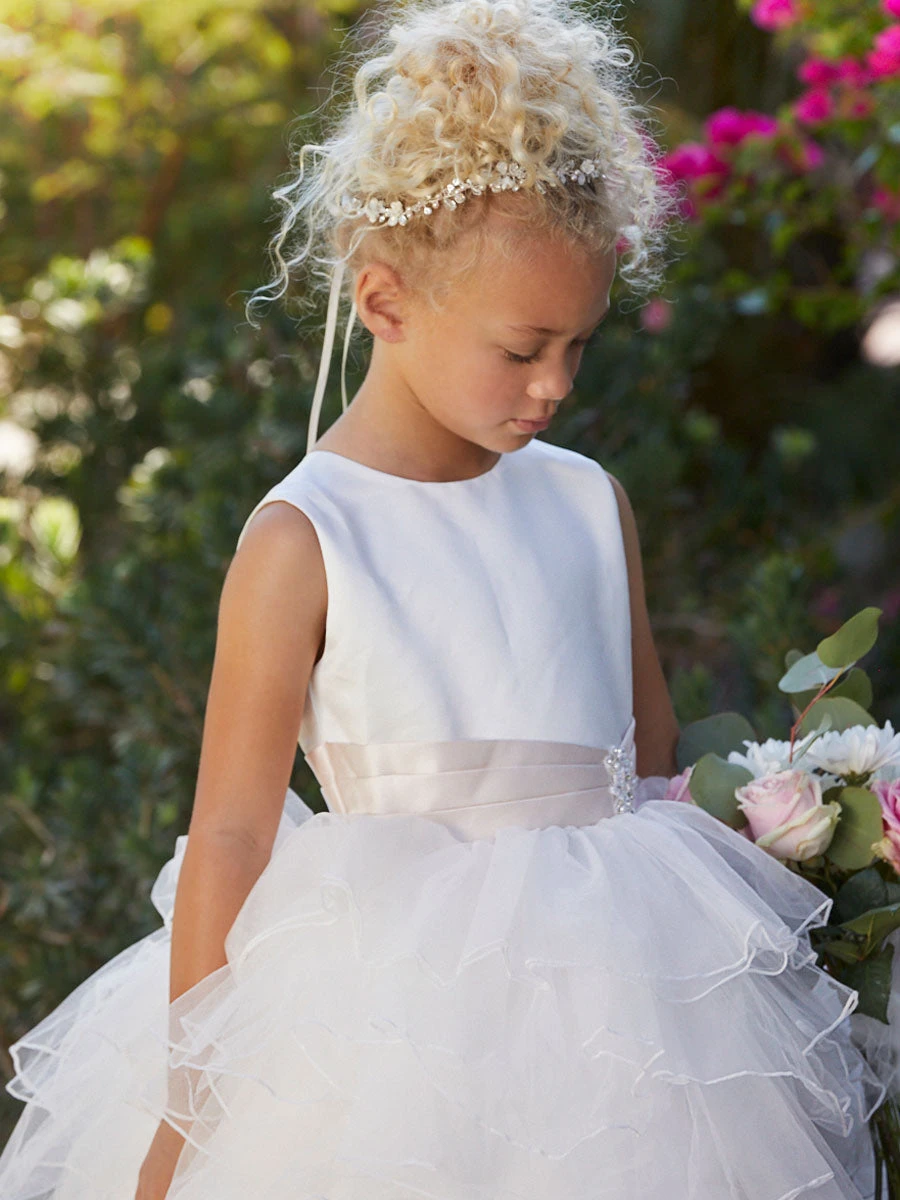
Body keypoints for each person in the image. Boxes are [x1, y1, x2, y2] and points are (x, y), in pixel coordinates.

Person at [0, 1, 892, 1197]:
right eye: (523, 349)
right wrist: (187, 1103)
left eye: (580, 344)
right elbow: (230, 833)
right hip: (382, 1038)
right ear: (384, 305)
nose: (557, 384)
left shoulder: (586, 503)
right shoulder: (308, 536)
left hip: (625, 1023)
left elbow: (655, 760)